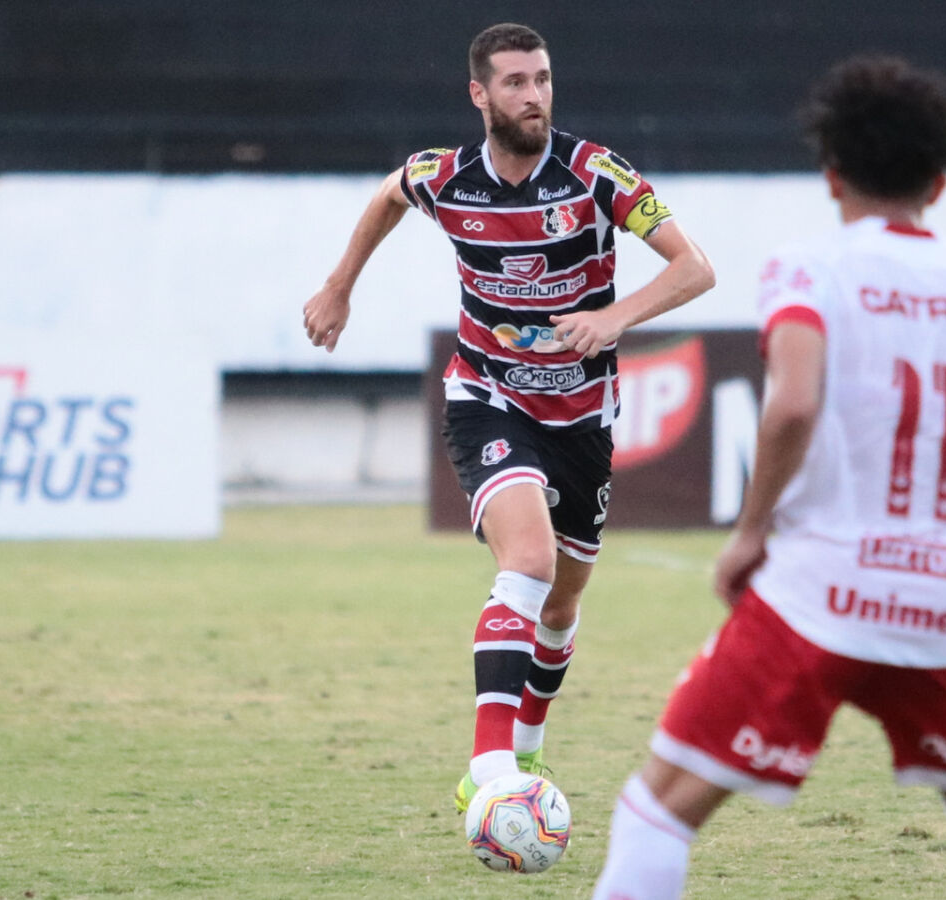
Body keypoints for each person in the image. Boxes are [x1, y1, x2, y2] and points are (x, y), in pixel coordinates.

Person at [591, 55, 946, 900]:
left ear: (832, 176)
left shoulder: (810, 268)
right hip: (938, 604)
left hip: (817, 592)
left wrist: (750, 532)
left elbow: (792, 407)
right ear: (939, 184)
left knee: (658, 812)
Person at [302, 22, 714, 813]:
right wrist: (339, 286)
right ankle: (489, 772)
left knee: (561, 606)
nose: (535, 96)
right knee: (527, 563)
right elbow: (391, 193)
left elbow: (696, 267)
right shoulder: (445, 176)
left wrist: (616, 316)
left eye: (544, 80)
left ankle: (527, 748)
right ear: (480, 94)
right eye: (517, 83)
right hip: (487, 396)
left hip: (584, 416)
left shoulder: (596, 174)